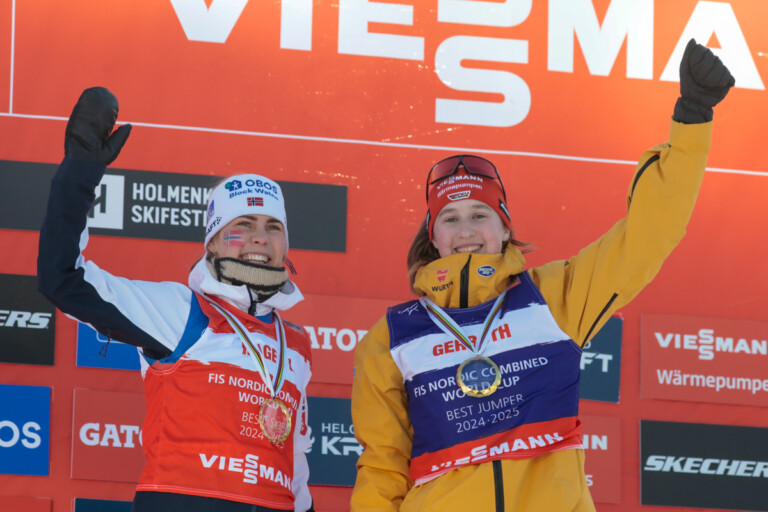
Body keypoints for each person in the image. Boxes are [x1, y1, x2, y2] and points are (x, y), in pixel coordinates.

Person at [350, 39, 734, 512]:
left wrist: (691, 123)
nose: (466, 230)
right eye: (450, 218)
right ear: (433, 236)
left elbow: (645, 239)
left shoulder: (553, 297)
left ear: (505, 226)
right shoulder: (390, 337)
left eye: (480, 214)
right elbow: (383, 466)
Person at [37, 87, 314, 512]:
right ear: (215, 243)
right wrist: (80, 171)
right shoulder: (182, 311)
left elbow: (295, 463)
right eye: (242, 224)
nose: (260, 237)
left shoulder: (295, 343)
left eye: (273, 227)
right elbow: (64, 278)